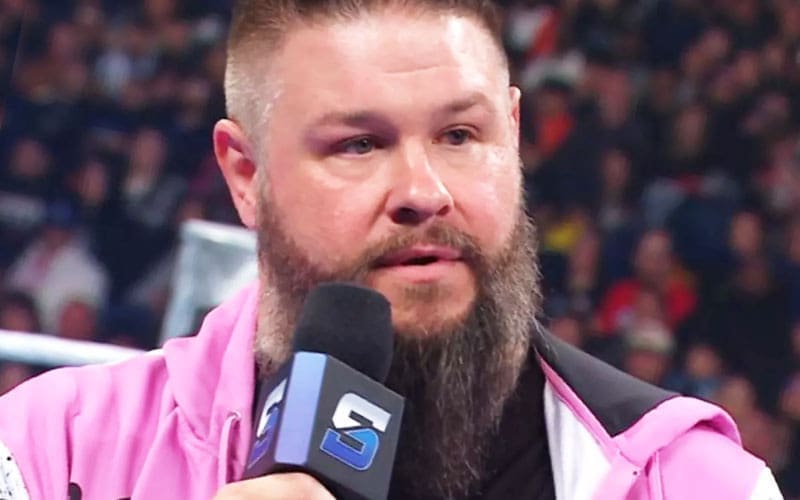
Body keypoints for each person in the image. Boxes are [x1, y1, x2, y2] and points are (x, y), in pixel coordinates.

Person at [0, 0, 784, 499]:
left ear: (513, 136)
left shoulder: (694, 483)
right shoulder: (50, 455)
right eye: (359, 144)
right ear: (245, 175)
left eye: (459, 135)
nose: (423, 190)